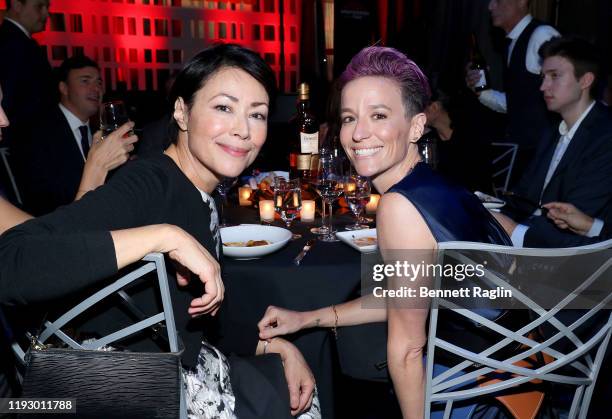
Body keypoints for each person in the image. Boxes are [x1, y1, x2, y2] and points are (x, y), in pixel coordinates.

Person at [0, 44, 316, 418]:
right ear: (182, 111)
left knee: (298, 392)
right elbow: (11, 263)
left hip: (169, 369)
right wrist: (163, 236)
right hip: (107, 388)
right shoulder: (150, 183)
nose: (243, 131)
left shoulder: (200, 190)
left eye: (257, 114)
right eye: (223, 108)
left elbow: (197, 316)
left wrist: (273, 345)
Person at [257, 46, 511, 419]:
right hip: (509, 376)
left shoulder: (398, 207)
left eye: (378, 115)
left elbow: (408, 349)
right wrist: (307, 318)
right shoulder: (439, 186)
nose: (358, 133)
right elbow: (405, 298)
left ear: (417, 127)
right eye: (348, 118)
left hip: (467, 392)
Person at [492, 37, 612, 248]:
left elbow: (576, 223)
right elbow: (524, 197)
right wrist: (491, 207)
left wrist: (515, 232)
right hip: (540, 241)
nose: (543, 86)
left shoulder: (605, 137)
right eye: (543, 77)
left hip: (574, 260)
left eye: (554, 76)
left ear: (585, 81)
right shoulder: (553, 129)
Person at [12, 55, 137, 215]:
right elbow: (42, 197)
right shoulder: (37, 132)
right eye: (85, 81)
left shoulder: (100, 132)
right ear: (64, 88)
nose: (96, 89)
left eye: (99, 82)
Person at [466, 0, 559, 181]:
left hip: (542, 156)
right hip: (526, 155)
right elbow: (518, 103)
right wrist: (481, 92)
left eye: (498, 1)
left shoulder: (541, 35)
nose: (490, 6)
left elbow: (568, 93)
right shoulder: (513, 42)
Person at [0, 0, 55, 148]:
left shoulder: (17, 42)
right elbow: (8, 102)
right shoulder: (13, 45)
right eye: (39, 6)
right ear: (17, 5)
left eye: (47, 7)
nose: (46, 13)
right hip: (23, 148)